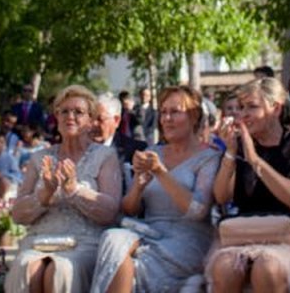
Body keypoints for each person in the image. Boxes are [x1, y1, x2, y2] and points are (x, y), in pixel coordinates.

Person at [91, 86, 219, 293]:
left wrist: (161, 173)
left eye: (175, 112)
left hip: (187, 239)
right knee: (113, 239)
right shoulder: (152, 152)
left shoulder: (209, 157)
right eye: (164, 112)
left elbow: (197, 210)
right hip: (146, 232)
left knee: (131, 265)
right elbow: (129, 208)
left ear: (194, 116)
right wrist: (139, 186)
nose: (166, 119)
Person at [209, 77, 290, 293]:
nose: (243, 114)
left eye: (252, 107)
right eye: (241, 107)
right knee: (224, 268)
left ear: (275, 108)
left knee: (267, 267)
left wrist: (255, 161)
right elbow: (221, 196)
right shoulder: (240, 146)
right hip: (245, 232)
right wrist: (230, 153)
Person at [6, 85, 122, 293]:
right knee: (26, 267)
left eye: (78, 112)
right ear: (56, 118)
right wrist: (44, 195)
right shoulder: (39, 158)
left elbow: (110, 212)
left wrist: (74, 190)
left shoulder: (105, 156)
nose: (70, 116)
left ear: (91, 120)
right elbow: (18, 214)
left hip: (83, 242)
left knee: (61, 270)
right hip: (39, 241)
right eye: (64, 111)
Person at [94, 92, 147, 190]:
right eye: (91, 118)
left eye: (100, 119)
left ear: (116, 120)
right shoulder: (80, 148)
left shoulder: (136, 151)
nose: (94, 124)